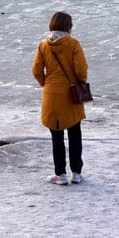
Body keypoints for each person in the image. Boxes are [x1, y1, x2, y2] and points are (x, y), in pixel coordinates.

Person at [31, 11, 88, 185]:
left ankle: (60, 174)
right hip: (70, 94)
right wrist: (79, 83)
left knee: (56, 136)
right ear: (68, 27)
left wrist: (46, 84)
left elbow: (36, 70)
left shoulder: (43, 46)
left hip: (51, 95)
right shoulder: (73, 44)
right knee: (74, 134)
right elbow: (81, 70)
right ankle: (76, 173)